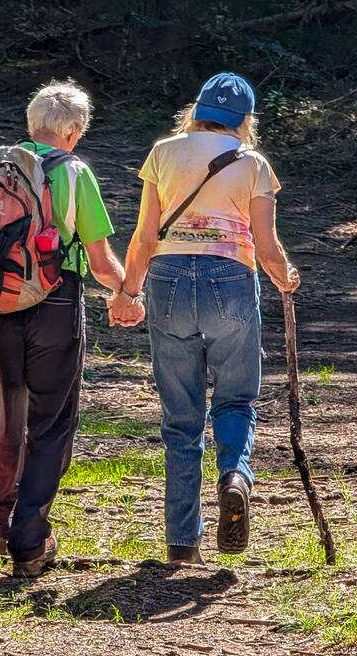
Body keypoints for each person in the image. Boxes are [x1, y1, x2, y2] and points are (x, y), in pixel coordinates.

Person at [0, 80, 125, 578]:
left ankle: (3, 521)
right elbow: (101, 262)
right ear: (75, 131)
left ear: (31, 123)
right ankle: (29, 538)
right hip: (55, 301)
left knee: (8, 406)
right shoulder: (76, 173)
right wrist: (128, 292)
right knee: (51, 420)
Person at [108, 72, 300, 565]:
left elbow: (145, 236)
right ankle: (235, 475)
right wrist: (285, 276)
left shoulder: (164, 152)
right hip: (231, 279)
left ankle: (182, 544)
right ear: (245, 120)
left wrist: (129, 292)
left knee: (181, 418)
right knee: (235, 400)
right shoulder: (254, 163)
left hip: (168, 278)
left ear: (195, 109)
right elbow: (264, 242)